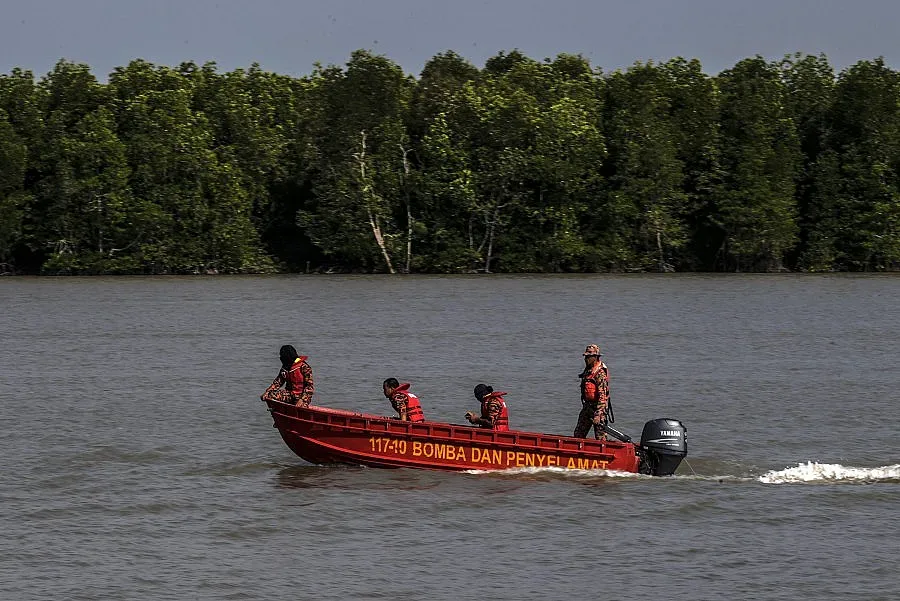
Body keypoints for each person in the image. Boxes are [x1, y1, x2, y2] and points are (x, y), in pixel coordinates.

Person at [573, 343, 611, 440]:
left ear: (595, 357)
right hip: (587, 407)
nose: (586, 359)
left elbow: (603, 396)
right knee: (578, 434)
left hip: (598, 409)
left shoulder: (600, 373)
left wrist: (598, 414)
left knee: (600, 437)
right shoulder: (588, 370)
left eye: (588, 357)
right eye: (585, 357)